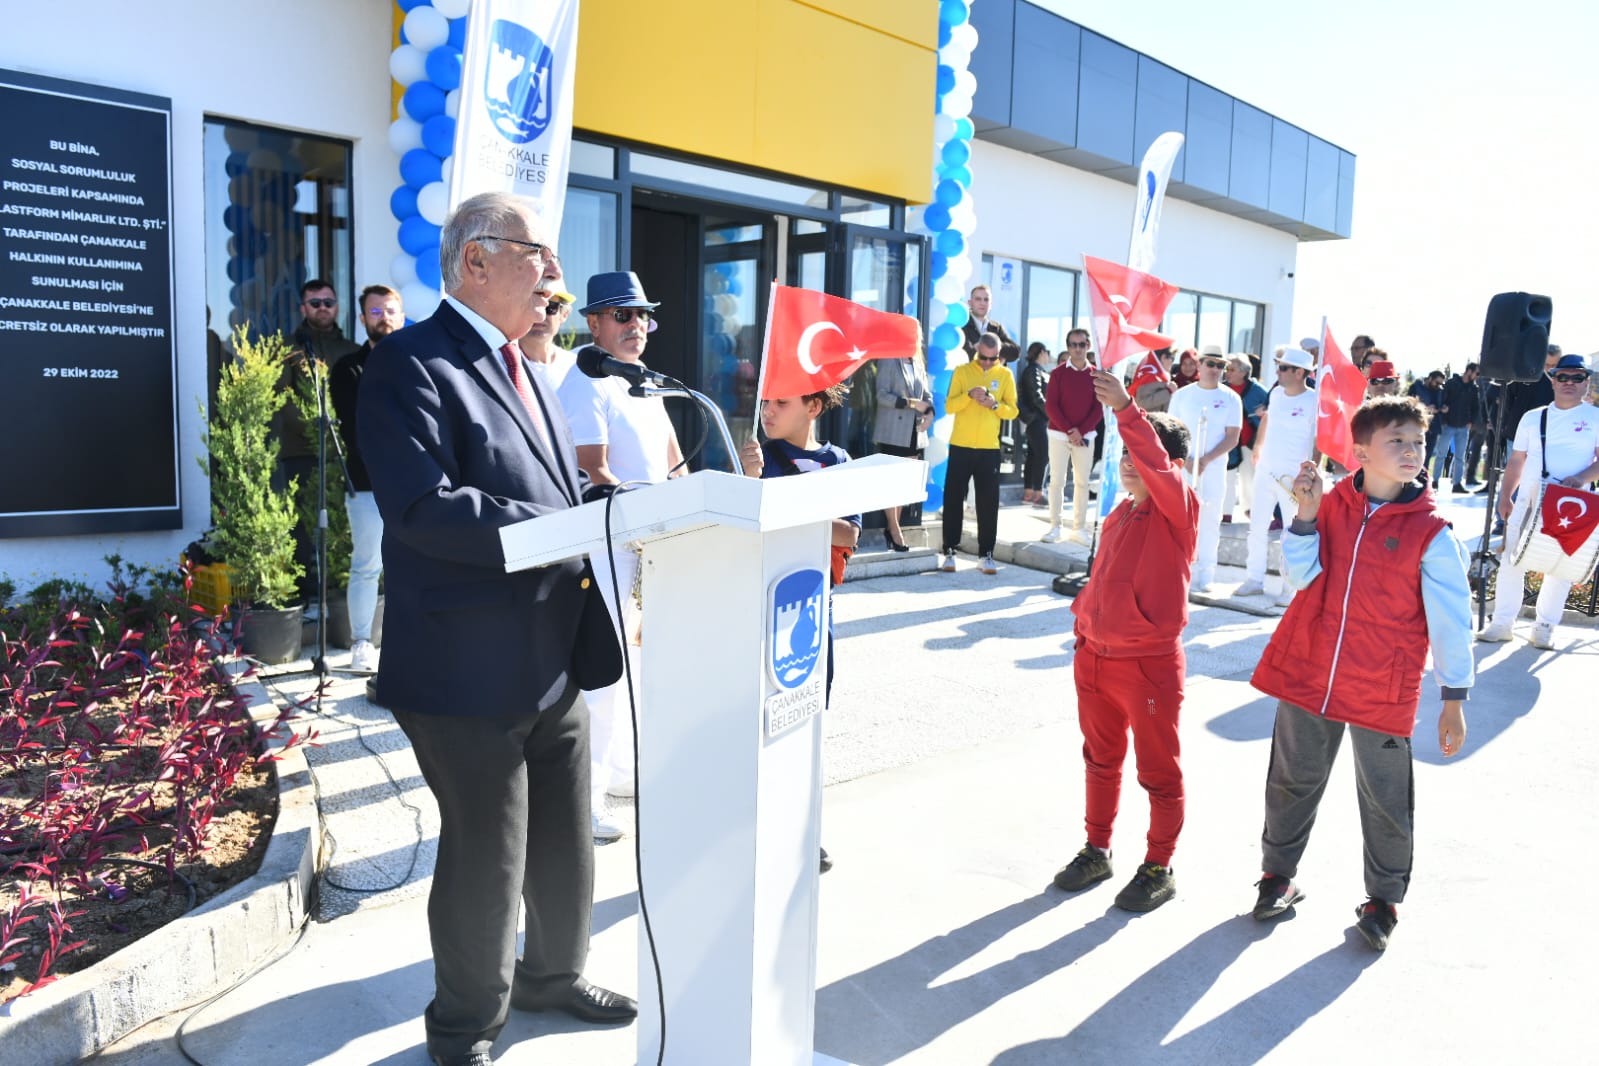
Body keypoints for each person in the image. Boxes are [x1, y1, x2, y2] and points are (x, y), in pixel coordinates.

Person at [358, 192, 635, 1066]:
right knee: (490, 854)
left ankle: (550, 977)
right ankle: (465, 1026)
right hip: (464, 670)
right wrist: (566, 525)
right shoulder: (408, 364)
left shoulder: (530, 367)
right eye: (536, 253)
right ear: (475, 259)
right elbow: (423, 508)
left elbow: (551, 489)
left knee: (562, 842)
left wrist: (619, 506)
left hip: (553, 656)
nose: (552, 273)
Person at [1248, 395, 1473, 952]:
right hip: (1309, 670)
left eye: (1418, 441)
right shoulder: (1328, 504)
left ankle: (1383, 902)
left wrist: (1453, 698)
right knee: (1291, 780)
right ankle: (1278, 877)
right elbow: (1301, 578)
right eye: (1396, 440)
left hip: (1382, 687)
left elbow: (1451, 619)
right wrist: (1305, 516)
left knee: (1385, 799)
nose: (1412, 451)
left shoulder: (1432, 531)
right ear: (1361, 452)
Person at [1051, 367, 1197, 913]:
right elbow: (1101, 582)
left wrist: (1125, 411)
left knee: (1158, 772)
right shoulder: (1121, 512)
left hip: (1147, 667)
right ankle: (1097, 849)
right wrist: (1083, 633)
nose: (1131, 462)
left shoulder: (1178, 509)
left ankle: (1159, 864)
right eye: (1127, 454)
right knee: (1100, 759)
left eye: (1143, 454)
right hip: (1096, 662)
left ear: (1169, 465)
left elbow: (1158, 466)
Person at [557, 270, 685, 841]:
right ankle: (581, 803)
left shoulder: (644, 382)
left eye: (643, 315)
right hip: (608, 550)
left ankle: (620, 774)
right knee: (603, 680)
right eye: (622, 315)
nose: (637, 325)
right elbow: (594, 471)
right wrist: (652, 518)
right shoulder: (586, 381)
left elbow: (674, 463)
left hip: (651, 548)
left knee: (638, 672)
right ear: (593, 323)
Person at [739, 384, 862, 873]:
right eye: (766, 402)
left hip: (812, 614)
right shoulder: (756, 459)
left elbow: (849, 532)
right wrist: (750, 483)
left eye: (781, 402)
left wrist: (785, 504)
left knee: (806, 721)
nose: (768, 411)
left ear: (813, 407)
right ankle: (751, 830)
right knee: (757, 725)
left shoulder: (839, 461)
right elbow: (742, 525)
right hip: (758, 615)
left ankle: (803, 830)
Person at [1478, 354, 1599, 649]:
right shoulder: (1533, 417)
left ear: (1587, 382)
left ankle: (1544, 627)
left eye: (1577, 377)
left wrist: (1581, 477)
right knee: (1512, 560)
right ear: (1552, 380)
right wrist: (1505, 496)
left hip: (1572, 505)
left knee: (1560, 567)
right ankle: (1502, 623)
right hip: (1529, 501)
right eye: (1562, 376)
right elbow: (1516, 460)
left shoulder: (1595, 417)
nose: (1569, 382)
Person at [328, 284, 405, 674]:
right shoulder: (348, 369)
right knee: (367, 564)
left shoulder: (419, 363)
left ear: (402, 316)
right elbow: (357, 426)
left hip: (415, 484)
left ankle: (408, 641)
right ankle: (361, 642)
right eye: (376, 312)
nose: (384, 318)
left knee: (413, 564)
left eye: (390, 310)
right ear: (362, 319)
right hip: (367, 484)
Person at [282, 279, 363, 596]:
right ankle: (305, 593)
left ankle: (338, 591)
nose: (322, 308)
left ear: (337, 307)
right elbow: (283, 400)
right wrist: (317, 432)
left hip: (344, 455)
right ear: (303, 308)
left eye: (328, 302)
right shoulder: (290, 349)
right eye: (315, 303)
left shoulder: (352, 351)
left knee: (344, 526)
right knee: (303, 528)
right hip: (302, 452)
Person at [1235, 348, 1319, 601]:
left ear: (1299, 372)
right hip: (1266, 471)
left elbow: (1319, 439)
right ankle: (1254, 579)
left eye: (1283, 368)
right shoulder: (1276, 393)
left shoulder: (1314, 400)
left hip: (1294, 476)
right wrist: (1258, 447)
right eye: (1278, 366)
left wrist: (1311, 472)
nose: (1278, 372)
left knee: (1290, 532)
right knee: (1257, 527)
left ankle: (1289, 587)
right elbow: (1268, 419)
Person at [942, 333, 1018, 574]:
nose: (987, 362)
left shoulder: (1005, 375)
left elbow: (1013, 411)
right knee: (954, 499)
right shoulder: (962, 371)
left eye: (992, 358)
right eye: (983, 357)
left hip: (989, 448)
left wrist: (994, 404)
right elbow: (949, 406)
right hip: (961, 445)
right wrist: (968, 396)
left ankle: (986, 554)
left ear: (999, 355)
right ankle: (949, 551)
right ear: (977, 351)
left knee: (988, 503)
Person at [1167, 348, 1242, 593]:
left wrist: (1206, 460)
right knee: (1179, 519)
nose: (1216, 369)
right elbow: (1170, 431)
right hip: (1184, 467)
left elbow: (1232, 437)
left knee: (1210, 520)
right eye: (1211, 363)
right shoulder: (1182, 396)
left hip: (1214, 469)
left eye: (1221, 365)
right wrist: (1186, 460)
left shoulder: (1231, 398)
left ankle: (1206, 573)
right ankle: (1179, 571)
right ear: (1199, 365)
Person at [873, 340, 934, 551]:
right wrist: (910, 403)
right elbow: (881, 395)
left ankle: (893, 528)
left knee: (903, 484)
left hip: (914, 431)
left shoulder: (917, 362)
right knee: (892, 482)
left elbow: (926, 395)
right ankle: (894, 529)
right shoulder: (889, 360)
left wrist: (930, 412)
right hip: (893, 431)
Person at [1040, 328, 1100, 543]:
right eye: (1073, 345)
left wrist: (1080, 432)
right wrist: (1069, 431)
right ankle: (1055, 526)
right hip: (1058, 435)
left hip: (1085, 436)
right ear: (1068, 347)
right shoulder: (1058, 373)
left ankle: (1079, 528)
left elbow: (1098, 408)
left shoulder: (1096, 375)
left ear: (1088, 346)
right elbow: (1051, 406)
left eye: (1081, 344)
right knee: (1057, 481)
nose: (1077, 349)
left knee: (1082, 482)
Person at [519, 258, 578, 389]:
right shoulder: (503, 364)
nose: (541, 315)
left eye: (550, 307)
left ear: (564, 314)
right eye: (534, 304)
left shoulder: (575, 367)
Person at [1223, 354, 1268, 524]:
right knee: (1227, 477)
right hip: (1227, 442)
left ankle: (1251, 511)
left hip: (1249, 443)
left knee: (1249, 478)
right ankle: (1225, 513)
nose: (1227, 372)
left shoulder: (1258, 391)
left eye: (1232, 369)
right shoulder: (1222, 389)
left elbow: (1270, 411)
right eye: (1227, 369)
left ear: (1243, 372)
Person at [1433, 363, 1481, 492]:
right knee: (1441, 454)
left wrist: (1471, 421)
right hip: (1448, 425)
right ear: (1469, 371)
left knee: (1460, 456)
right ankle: (1435, 482)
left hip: (1463, 427)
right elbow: (1442, 401)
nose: (1477, 376)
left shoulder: (1473, 388)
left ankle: (1457, 484)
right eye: (1476, 373)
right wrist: (1443, 419)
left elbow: (1476, 407)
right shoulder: (1451, 383)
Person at [1016, 342, 1051, 505]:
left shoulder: (1037, 370)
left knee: (1034, 455)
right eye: (1047, 352)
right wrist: (1051, 414)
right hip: (1037, 419)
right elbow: (1036, 396)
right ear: (1042, 352)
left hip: (1036, 419)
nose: (1049, 356)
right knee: (1043, 455)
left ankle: (1030, 492)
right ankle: (1038, 492)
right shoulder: (1033, 370)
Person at [960, 283, 1020, 362]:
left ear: (990, 304)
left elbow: (1015, 352)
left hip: (996, 370)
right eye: (978, 299)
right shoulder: (962, 325)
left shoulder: (997, 327)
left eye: (986, 299)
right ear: (970, 303)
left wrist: (994, 345)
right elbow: (966, 354)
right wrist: (998, 353)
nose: (982, 303)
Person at [1134, 347, 1176, 412]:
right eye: (1172, 358)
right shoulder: (1151, 376)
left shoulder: (1156, 376)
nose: (1172, 362)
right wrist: (1168, 391)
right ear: (1164, 357)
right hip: (1149, 417)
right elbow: (1142, 403)